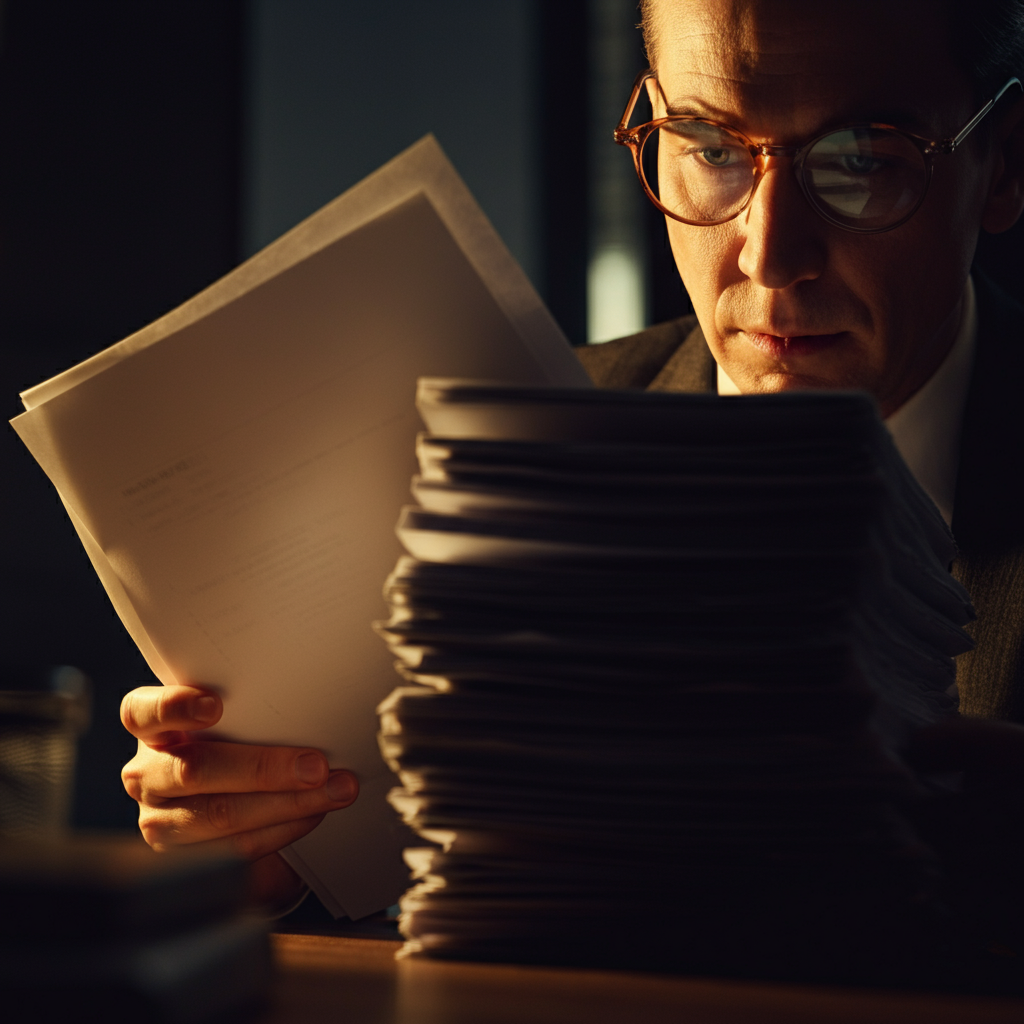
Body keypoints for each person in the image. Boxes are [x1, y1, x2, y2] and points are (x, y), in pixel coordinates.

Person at [119, 0, 1024, 917]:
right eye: (709, 148)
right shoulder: (498, 456)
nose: (771, 254)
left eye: (861, 159)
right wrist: (265, 856)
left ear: (1006, 163)